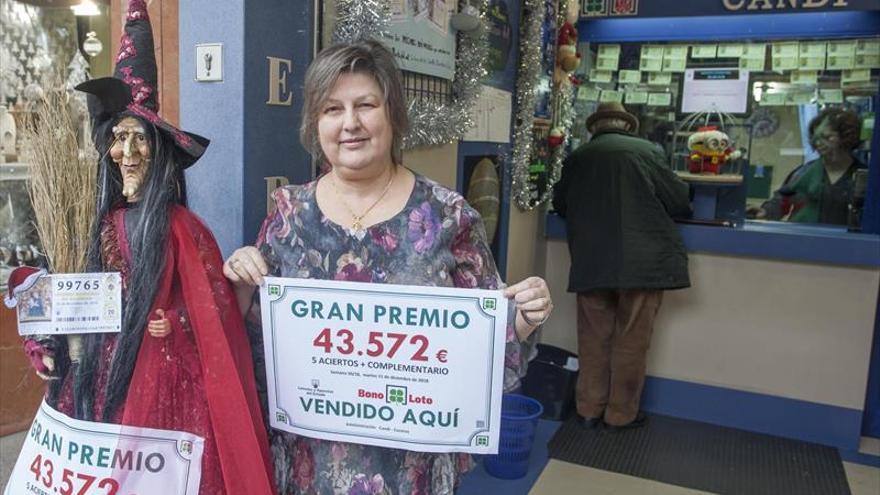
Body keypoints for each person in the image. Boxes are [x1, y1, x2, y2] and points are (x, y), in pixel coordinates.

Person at [223, 40, 553, 494]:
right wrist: (239, 287)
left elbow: (490, 338)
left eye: (366, 105)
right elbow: (256, 340)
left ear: (393, 114)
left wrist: (522, 315)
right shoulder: (289, 215)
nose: (350, 123)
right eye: (332, 109)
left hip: (408, 465)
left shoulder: (447, 216)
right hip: (309, 461)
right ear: (315, 123)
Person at [19, 2, 274, 493]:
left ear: (159, 151)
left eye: (139, 139)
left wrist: (175, 320)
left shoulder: (184, 228)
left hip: (162, 379)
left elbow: (214, 304)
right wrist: (44, 340)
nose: (128, 153)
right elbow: (52, 287)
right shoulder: (87, 227)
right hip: (91, 374)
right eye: (118, 139)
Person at [552, 102, 691, 430]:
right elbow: (679, 201)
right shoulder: (646, 151)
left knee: (592, 339)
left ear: (595, 128)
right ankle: (620, 415)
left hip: (591, 263)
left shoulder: (577, 158)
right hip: (642, 265)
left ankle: (588, 409)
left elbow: (561, 204)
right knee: (631, 342)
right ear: (627, 126)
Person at [752, 107, 865, 225]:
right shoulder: (804, 172)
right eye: (816, 139)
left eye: (827, 137)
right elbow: (782, 200)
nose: (819, 143)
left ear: (847, 137)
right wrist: (767, 211)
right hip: (806, 240)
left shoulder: (863, 176)